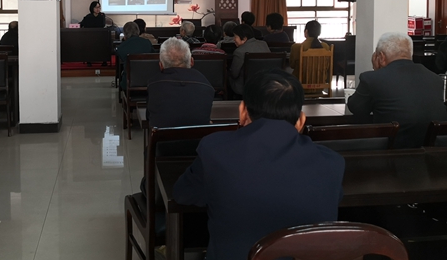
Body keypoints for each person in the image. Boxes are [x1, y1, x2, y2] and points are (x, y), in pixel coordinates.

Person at [173, 69, 344, 260]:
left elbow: (182, 194)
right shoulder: (333, 163)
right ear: (301, 121)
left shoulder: (215, 150)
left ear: (243, 111)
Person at [347, 32, 447, 148]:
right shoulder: (435, 79)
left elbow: (356, 108)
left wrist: (377, 72)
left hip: (392, 152)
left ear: (381, 57)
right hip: (434, 152)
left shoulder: (372, 79)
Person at [147, 38, 214, 127]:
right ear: (192, 61)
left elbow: (149, 117)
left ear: (161, 65)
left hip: (163, 135)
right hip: (199, 135)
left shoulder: (153, 84)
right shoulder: (205, 83)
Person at [228, 24, 270, 96]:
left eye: (235, 37)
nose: (233, 39)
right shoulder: (264, 44)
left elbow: (234, 74)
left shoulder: (239, 52)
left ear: (244, 39)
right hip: (264, 85)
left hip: (244, 87)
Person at [116, 22, 153, 91]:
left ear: (124, 34)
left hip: (129, 82)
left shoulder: (121, 48)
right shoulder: (147, 43)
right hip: (148, 81)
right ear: (138, 31)